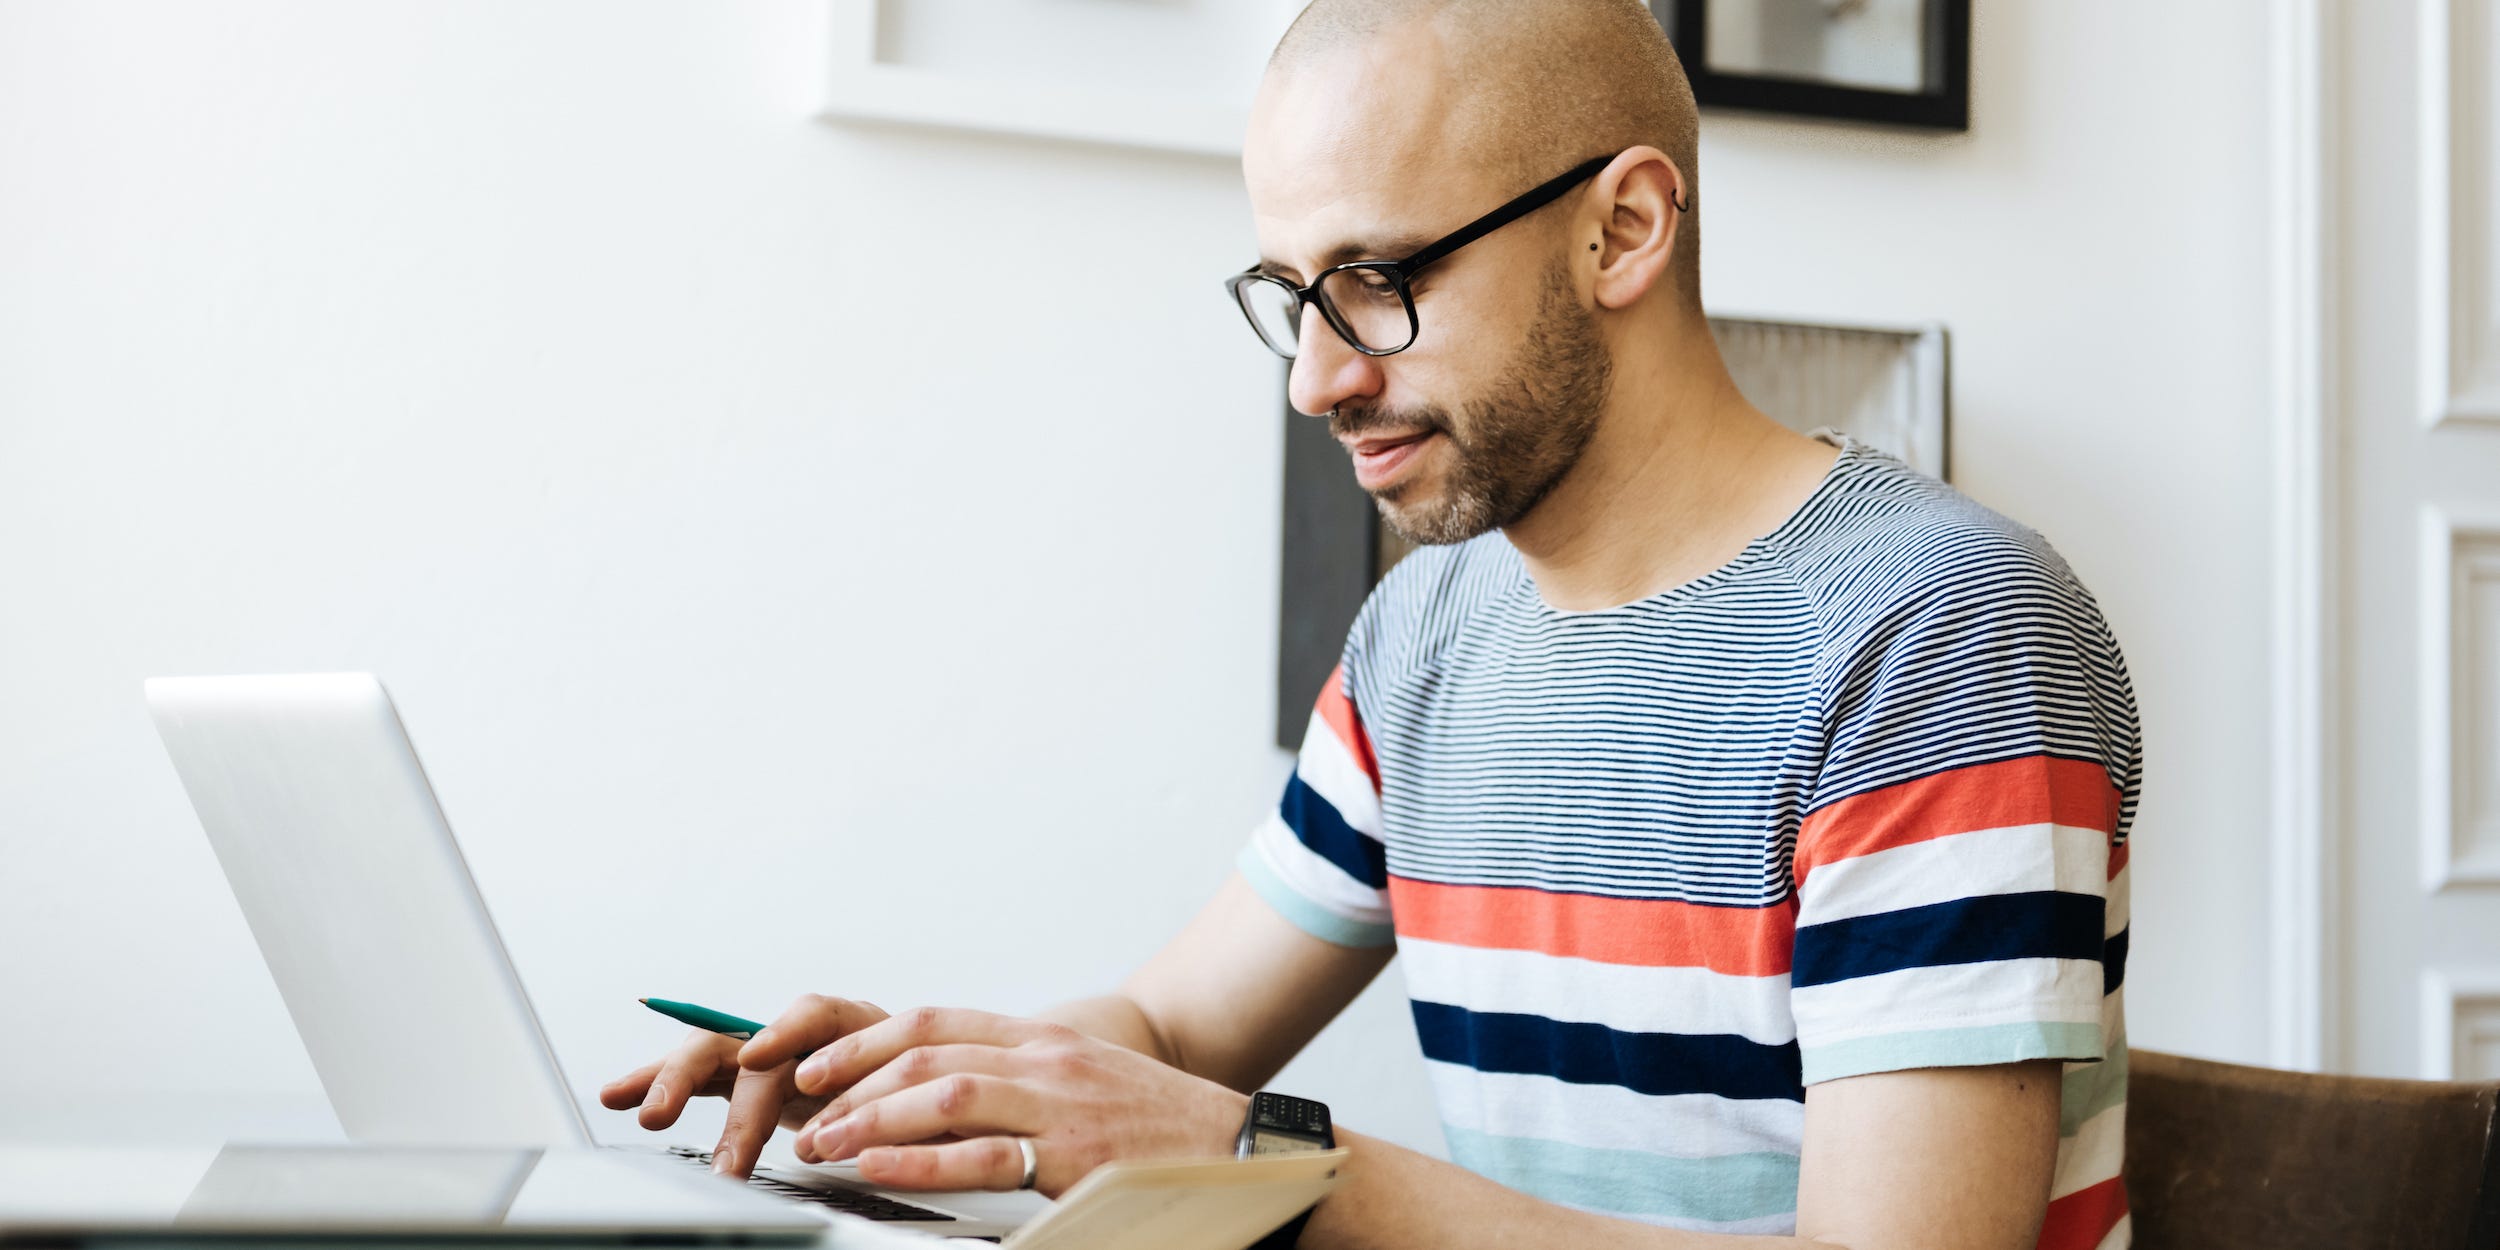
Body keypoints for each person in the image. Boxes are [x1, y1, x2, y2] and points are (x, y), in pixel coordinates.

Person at [600, 2, 2141, 1246]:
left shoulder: (1936, 636)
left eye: (1380, 279)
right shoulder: (1429, 634)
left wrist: (1259, 1158)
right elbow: (1175, 1030)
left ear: (1622, 232)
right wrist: (918, 1085)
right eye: (1292, 293)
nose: (1316, 378)